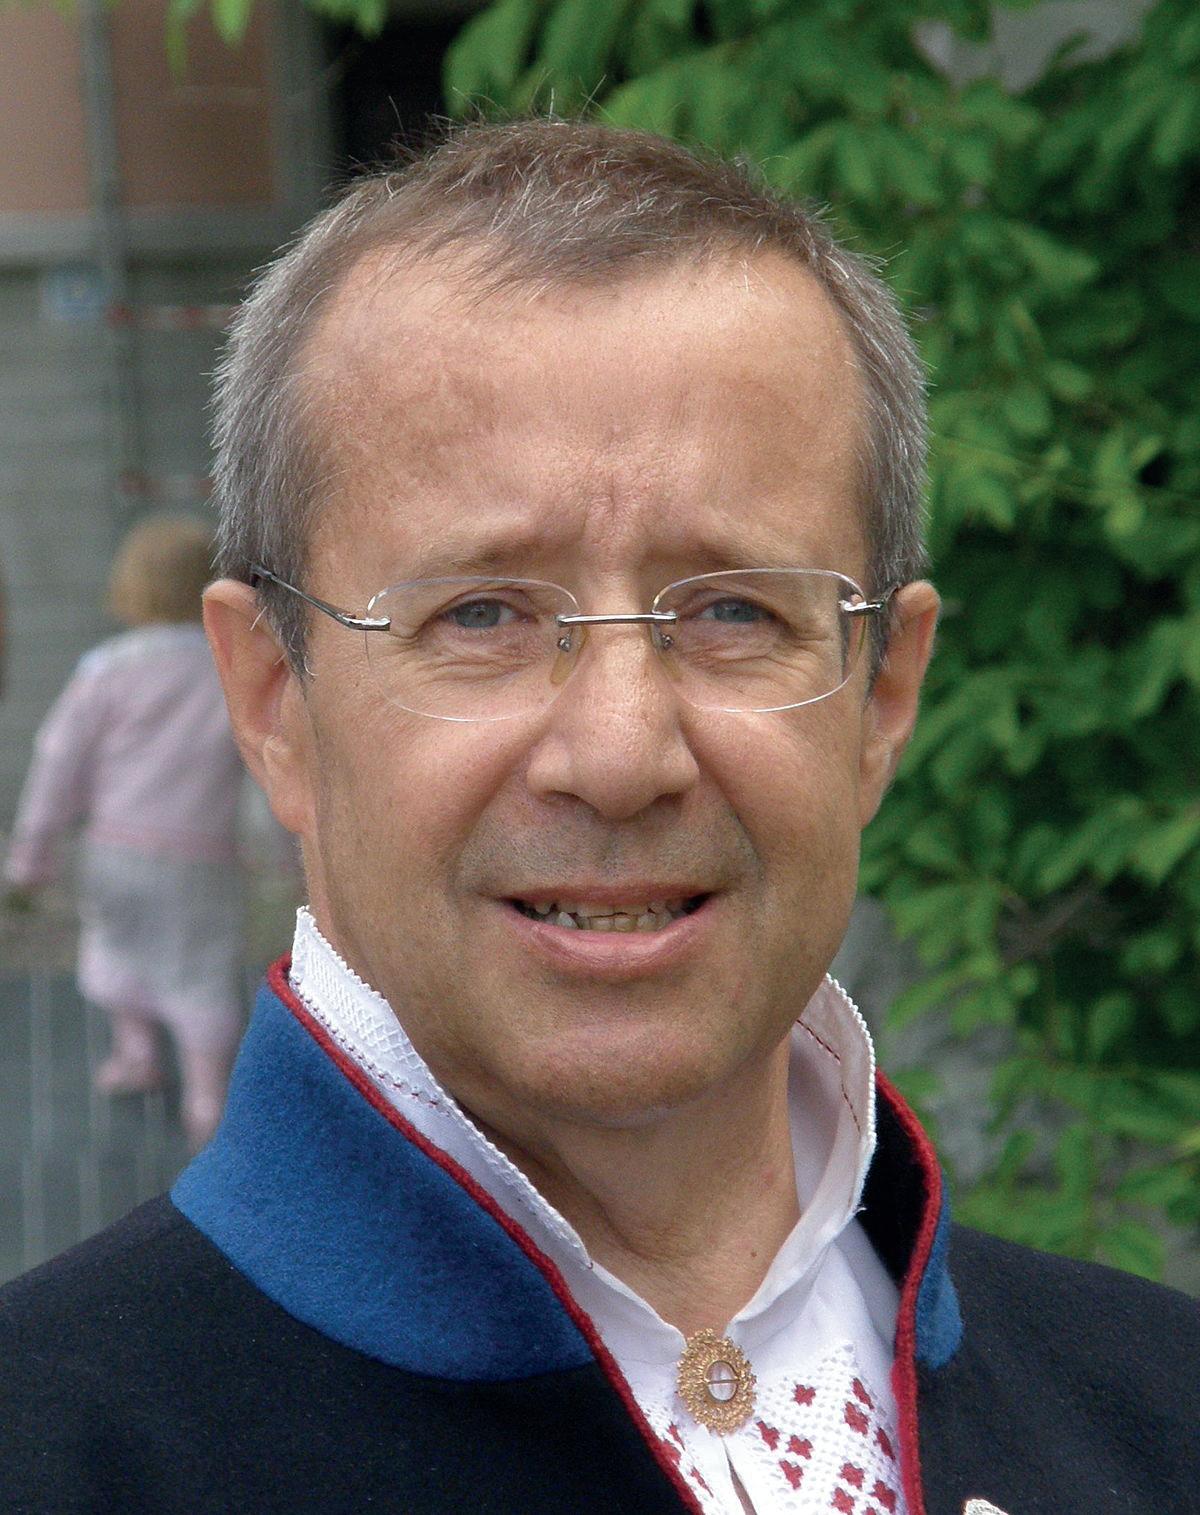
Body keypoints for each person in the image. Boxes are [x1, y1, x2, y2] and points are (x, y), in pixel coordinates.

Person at [0, 121, 1195, 1515]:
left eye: (734, 608)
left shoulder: (1164, 1404)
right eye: (482, 615)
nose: (620, 756)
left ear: (883, 694)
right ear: (275, 702)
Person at [3, 513, 246, 1151]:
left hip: (114, 849)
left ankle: (136, 1055)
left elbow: (59, 760)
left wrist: (32, 851)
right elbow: (265, 764)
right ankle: (207, 1098)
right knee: (199, 970)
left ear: (129, 586)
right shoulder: (229, 672)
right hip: (203, 856)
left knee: (117, 947)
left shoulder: (107, 668)